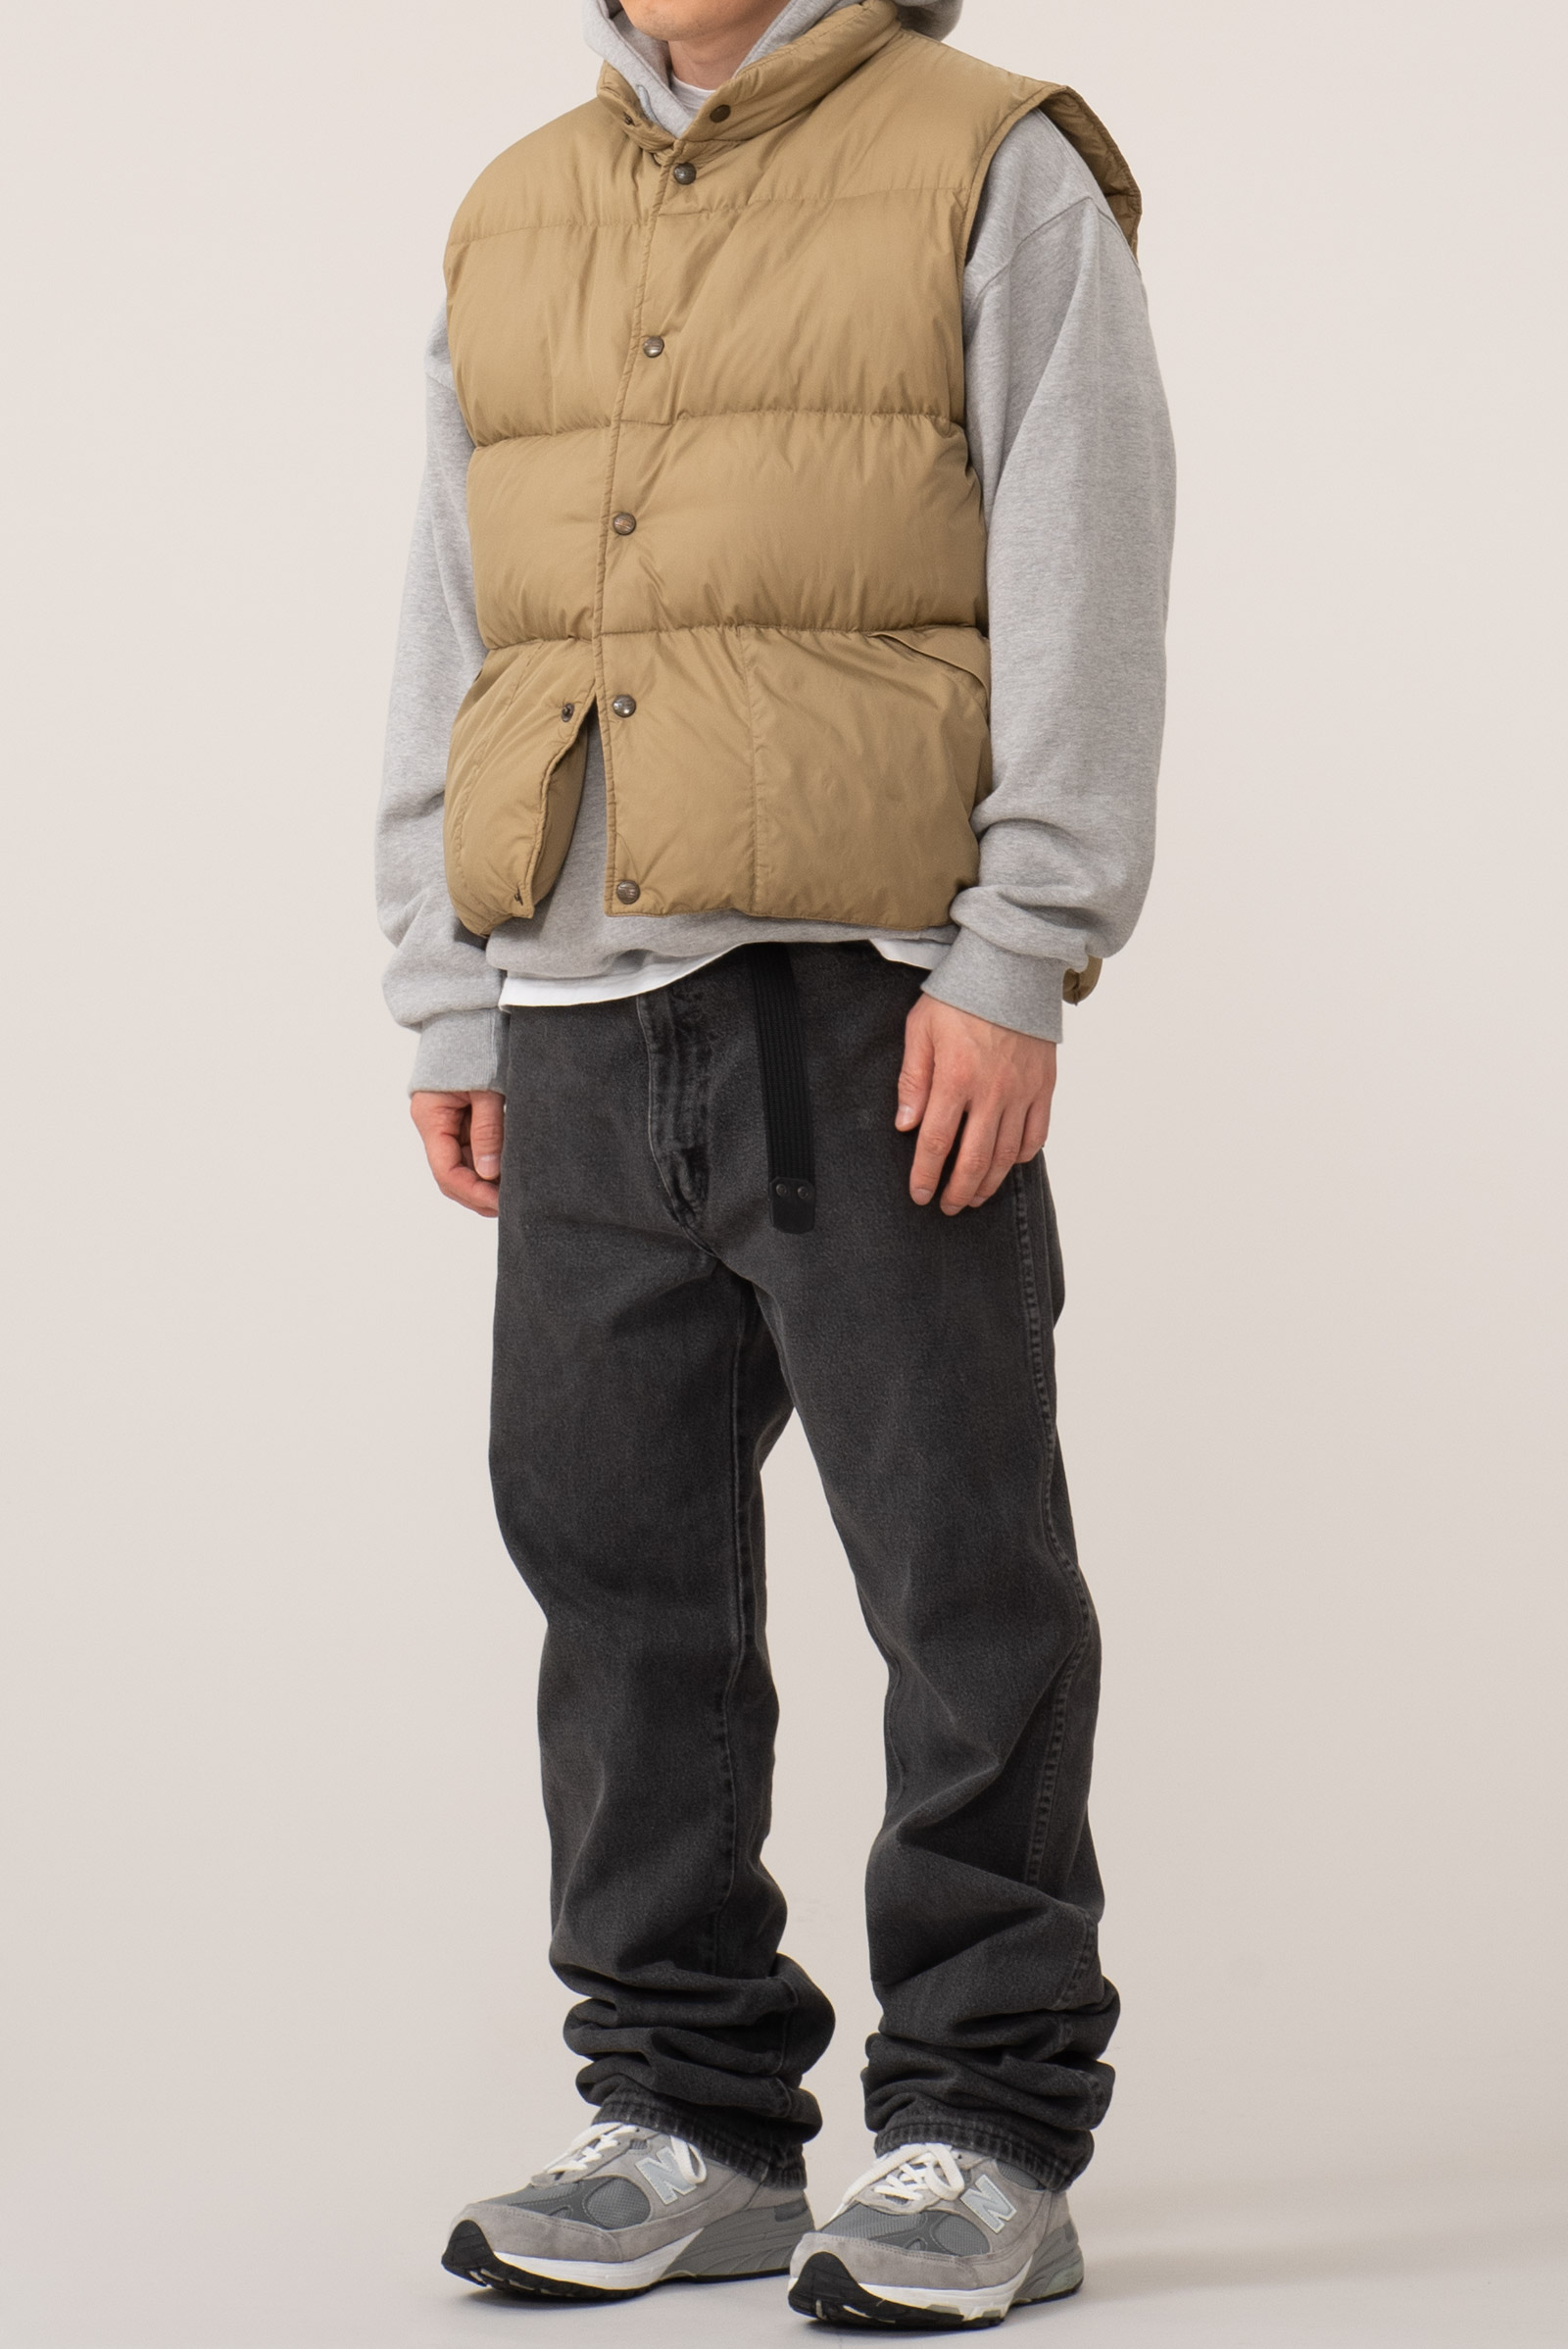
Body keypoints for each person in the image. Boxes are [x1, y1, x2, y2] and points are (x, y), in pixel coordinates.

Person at [376, 0, 1174, 2325]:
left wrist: (1016, 952)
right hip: (572, 1006)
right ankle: (690, 2109)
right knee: (613, 1576)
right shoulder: (515, 203)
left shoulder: (988, 157)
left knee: (957, 1568)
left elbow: (1084, 548)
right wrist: (448, 977)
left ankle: (984, 2122)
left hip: (872, 999)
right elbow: (452, 606)